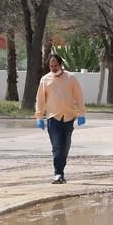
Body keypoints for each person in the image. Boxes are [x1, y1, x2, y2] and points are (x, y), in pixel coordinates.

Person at [35, 54, 86, 184]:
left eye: (55, 65)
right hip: (53, 118)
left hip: (69, 117)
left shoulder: (71, 78)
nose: (53, 68)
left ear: (61, 65)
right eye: (51, 66)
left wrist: (81, 114)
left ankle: (60, 172)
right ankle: (58, 174)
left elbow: (79, 96)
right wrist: (39, 116)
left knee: (65, 147)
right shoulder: (45, 80)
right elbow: (40, 100)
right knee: (57, 147)